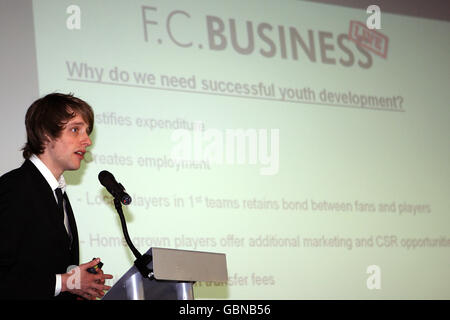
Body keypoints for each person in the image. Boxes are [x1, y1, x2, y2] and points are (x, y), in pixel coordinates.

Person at [0, 93, 113, 300]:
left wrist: (76, 288)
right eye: (75, 129)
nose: (87, 140)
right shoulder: (14, 189)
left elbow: (38, 270)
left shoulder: (57, 193)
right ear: (46, 134)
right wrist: (67, 282)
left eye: (87, 131)